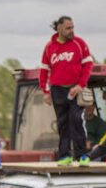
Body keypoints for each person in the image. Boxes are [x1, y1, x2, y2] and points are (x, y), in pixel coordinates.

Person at [39, 16, 93, 165]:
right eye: (68, 28)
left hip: (75, 89)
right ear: (59, 29)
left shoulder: (79, 43)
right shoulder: (50, 47)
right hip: (57, 90)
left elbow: (88, 65)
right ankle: (65, 155)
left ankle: (82, 154)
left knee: (76, 119)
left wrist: (81, 85)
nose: (71, 31)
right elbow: (44, 71)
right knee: (62, 122)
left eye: (72, 27)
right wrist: (46, 91)